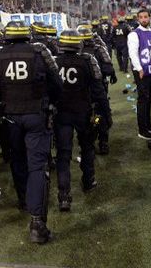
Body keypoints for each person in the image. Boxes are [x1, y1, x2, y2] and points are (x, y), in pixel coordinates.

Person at [0, 21, 62, 244]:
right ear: (27, 35)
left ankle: (23, 200)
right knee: (37, 166)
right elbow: (57, 83)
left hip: (9, 118)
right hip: (36, 115)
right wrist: (52, 103)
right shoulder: (40, 50)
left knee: (17, 161)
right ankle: (37, 222)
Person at [54, 30, 110, 212]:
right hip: (83, 113)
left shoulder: (54, 61)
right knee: (86, 148)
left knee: (63, 155)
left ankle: (64, 195)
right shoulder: (87, 60)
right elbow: (98, 89)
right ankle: (88, 181)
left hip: (61, 114)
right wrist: (105, 113)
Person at [78, 25, 116, 154]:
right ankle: (103, 141)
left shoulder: (74, 52)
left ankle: (89, 143)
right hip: (98, 89)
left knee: (86, 117)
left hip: (82, 92)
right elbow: (109, 69)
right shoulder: (99, 49)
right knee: (101, 115)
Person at [127, 9, 151, 140]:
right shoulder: (134, 34)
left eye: (146, 17)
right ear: (138, 19)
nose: (144, 19)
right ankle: (142, 130)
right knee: (143, 99)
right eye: (141, 17)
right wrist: (139, 69)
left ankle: (148, 125)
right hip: (143, 72)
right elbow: (133, 53)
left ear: (150, 18)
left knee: (150, 98)